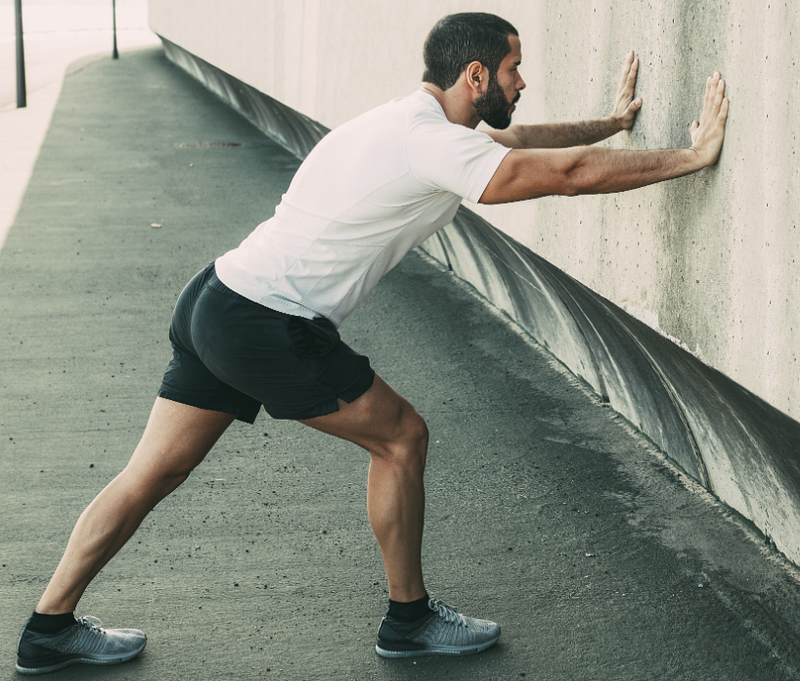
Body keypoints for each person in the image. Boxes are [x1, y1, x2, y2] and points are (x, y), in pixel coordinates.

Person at [15, 11, 729, 674]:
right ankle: (409, 619)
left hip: (217, 296)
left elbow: (521, 143)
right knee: (401, 438)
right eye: (514, 69)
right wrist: (692, 157)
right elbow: (564, 179)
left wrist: (611, 123)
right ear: (474, 77)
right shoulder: (430, 142)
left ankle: (47, 630)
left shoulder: (408, 124)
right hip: (268, 320)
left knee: (152, 473)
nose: (522, 82)